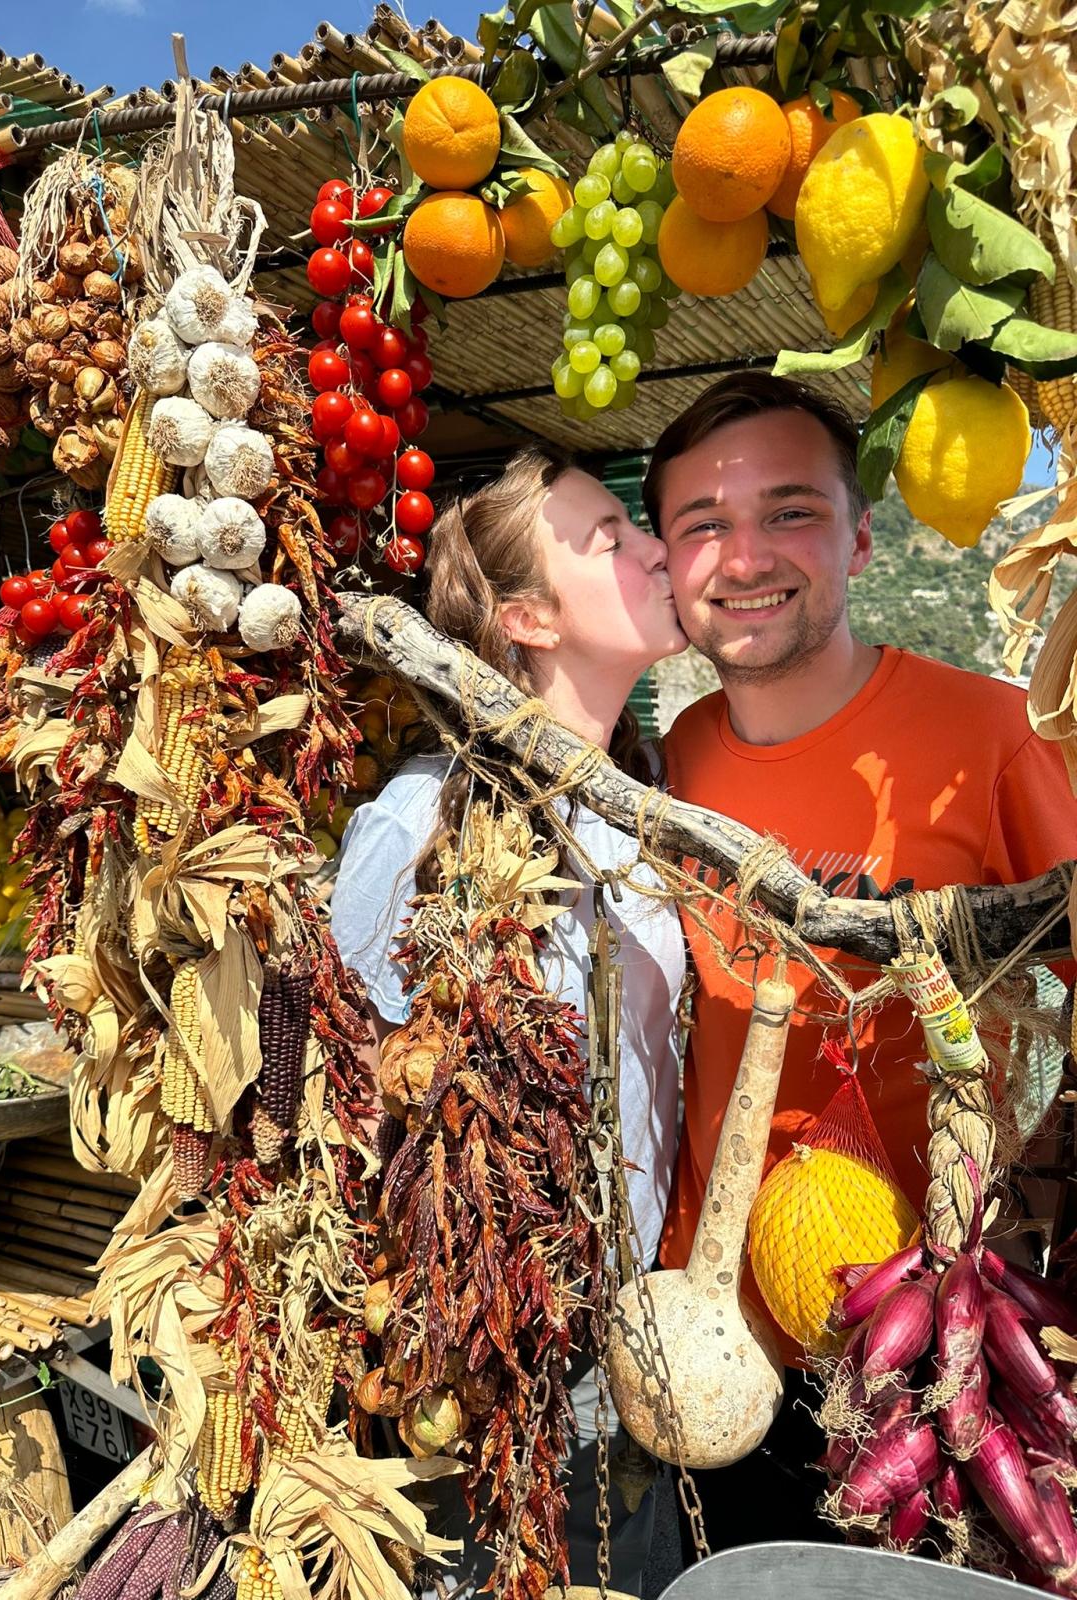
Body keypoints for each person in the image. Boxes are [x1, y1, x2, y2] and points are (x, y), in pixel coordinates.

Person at [642, 371, 1077, 1557]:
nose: (744, 558)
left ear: (862, 534)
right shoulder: (674, 755)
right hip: (722, 1339)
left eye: (790, 512)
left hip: (930, 1370)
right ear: (668, 561)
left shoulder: (991, 736)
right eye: (703, 525)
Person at [330, 446, 689, 1596]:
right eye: (609, 535)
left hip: (627, 1345)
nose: (653, 547)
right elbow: (357, 1109)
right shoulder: (417, 825)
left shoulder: (648, 807)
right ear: (528, 618)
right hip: (494, 1351)